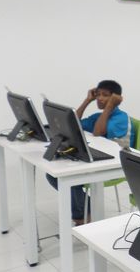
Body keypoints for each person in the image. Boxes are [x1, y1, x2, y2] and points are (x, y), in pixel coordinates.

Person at [47, 80, 131, 225]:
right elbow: (74, 123)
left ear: (116, 98)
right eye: (98, 95)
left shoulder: (121, 118)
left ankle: (81, 217)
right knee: (53, 175)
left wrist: (109, 106)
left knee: (70, 179)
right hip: (99, 159)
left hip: (115, 164)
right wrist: (87, 100)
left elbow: (98, 132)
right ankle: (87, 207)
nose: (100, 98)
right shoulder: (98, 116)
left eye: (105, 95)